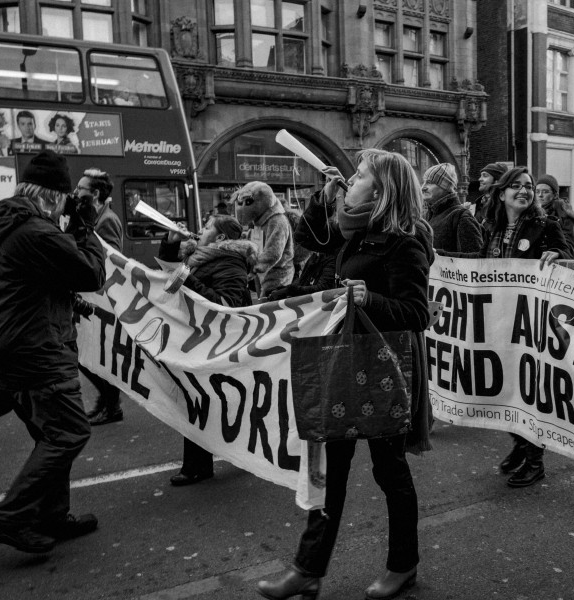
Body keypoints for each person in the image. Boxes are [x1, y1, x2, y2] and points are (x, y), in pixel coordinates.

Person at [256, 149, 433, 600]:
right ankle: (308, 570)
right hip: (342, 365)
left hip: (383, 372)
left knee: (389, 471)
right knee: (327, 471)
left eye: (359, 176)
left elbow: (416, 313)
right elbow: (310, 237)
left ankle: (403, 565)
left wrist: (369, 298)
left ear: (381, 190)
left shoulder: (404, 243)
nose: (351, 180)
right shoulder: (353, 234)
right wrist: (323, 197)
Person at [0, 150, 105, 554]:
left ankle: (53, 515)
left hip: (8, 344)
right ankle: (10, 518)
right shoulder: (35, 231)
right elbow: (91, 274)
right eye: (66, 198)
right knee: (69, 432)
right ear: (52, 195)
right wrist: (85, 228)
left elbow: (33, 280)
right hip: (37, 348)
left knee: (49, 433)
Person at [442, 167, 568, 488]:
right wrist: (440, 258)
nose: (524, 191)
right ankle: (520, 446)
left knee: (527, 394)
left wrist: (559, 255)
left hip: (530, 327)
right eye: (517, 186)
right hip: (500, 322)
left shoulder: (546, 226)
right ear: (502, 194)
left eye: (528, 186)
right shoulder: (492, 227)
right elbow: (479, 262)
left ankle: (535, 459)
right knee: (502, 391)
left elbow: (569, 255)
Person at [162, 215, 256, 486]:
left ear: (221, 239)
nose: (199, 231)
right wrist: (170, 245)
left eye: (206, 228)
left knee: (200, 399)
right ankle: (206, 462)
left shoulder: (230, 262)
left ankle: (198, 466)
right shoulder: (201, 257)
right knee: (204, 399)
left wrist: (186, 279)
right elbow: (170, 272)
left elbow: (226, 304)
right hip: (199, 340)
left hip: (215, 344)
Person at [75, 168, 125, 426]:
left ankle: (111, 404)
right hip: (90, 295)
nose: (76, 192)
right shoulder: (93, 216)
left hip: (100, 298)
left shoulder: (107, 219)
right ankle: (106, 402)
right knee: (86, 354)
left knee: (90, 354)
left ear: (94, 194)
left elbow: (111, 258)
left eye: (81, 189)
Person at [234, 181, 294, 298]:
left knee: (271, 307)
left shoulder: (277, 220)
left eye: (248, 202)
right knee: (262, 301)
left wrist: (254, 269)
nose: (242, 208)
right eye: (241, 203)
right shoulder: (258, 221)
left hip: (277, 275)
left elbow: (274, 251)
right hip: (262, 274)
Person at [422, 162, 483, 253]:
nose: (423, 187)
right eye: (424, 182)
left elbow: (473, 260)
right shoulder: (427, 216)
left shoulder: (461, 217)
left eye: (430, 182)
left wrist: (439, 254)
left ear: (446, 186)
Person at [536, 174, 574, 259]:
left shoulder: (564, 215)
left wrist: (558, 253)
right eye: (537, 191)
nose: (540, 195)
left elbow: (569, 249)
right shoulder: (537, 214)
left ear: (555, 195)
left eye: (545, 192)